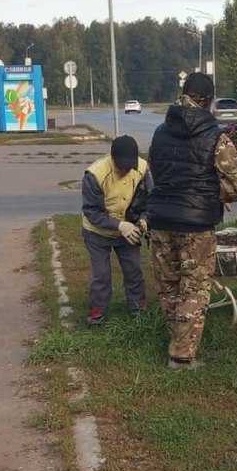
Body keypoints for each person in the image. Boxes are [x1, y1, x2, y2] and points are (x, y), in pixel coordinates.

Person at [147, 72, 237, 370]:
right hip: (196, 225)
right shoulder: (217, 137)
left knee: (170, 286)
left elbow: (156, 172)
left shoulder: (160, 132)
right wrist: (217, 194)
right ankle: (181, 355)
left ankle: (176, 339)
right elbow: (233, 187)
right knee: (195, 288)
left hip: (161, 219)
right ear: (209, 102)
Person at [81, 135, 153, 327]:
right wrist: (119, 225)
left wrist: (144, 220)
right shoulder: (95, 174)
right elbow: (92, 212)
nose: (125, 171)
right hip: (97, 233)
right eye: (121, 167)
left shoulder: (142, 169)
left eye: (129, 167)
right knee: (101, 276)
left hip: (129, 231)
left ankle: (139, 313)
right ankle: (96, 318)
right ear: (112, 158)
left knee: (134, 272)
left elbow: (149, 199)